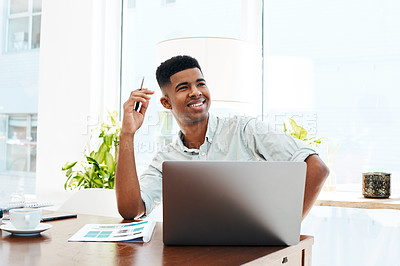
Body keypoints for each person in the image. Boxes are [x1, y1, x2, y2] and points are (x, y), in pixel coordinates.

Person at [116, 55, 329, 220]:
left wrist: (286, 230)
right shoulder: (166, 159)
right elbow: (130, 210)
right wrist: (127, 134)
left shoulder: (245, 130)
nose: (196, 92)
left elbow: (317, 168)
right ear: (166, 103)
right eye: (183, 88)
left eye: (201, 84)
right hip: (194, 255)